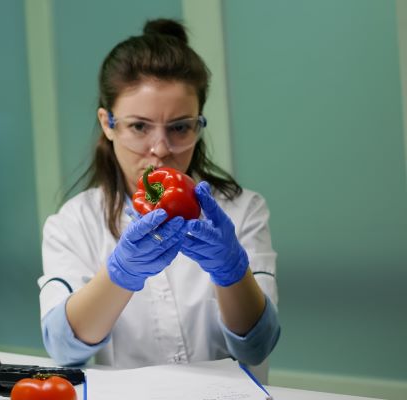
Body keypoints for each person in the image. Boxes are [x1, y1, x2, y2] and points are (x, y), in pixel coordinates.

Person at [38, 18, 280, 369]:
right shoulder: (72, 223)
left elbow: (257, 347)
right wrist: (119, 275)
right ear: (108, 124)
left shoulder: (243, 210)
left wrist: (232, 272)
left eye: (180, 127)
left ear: (199, 125)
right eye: (139, 126)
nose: (161, 149)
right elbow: (63, 349)